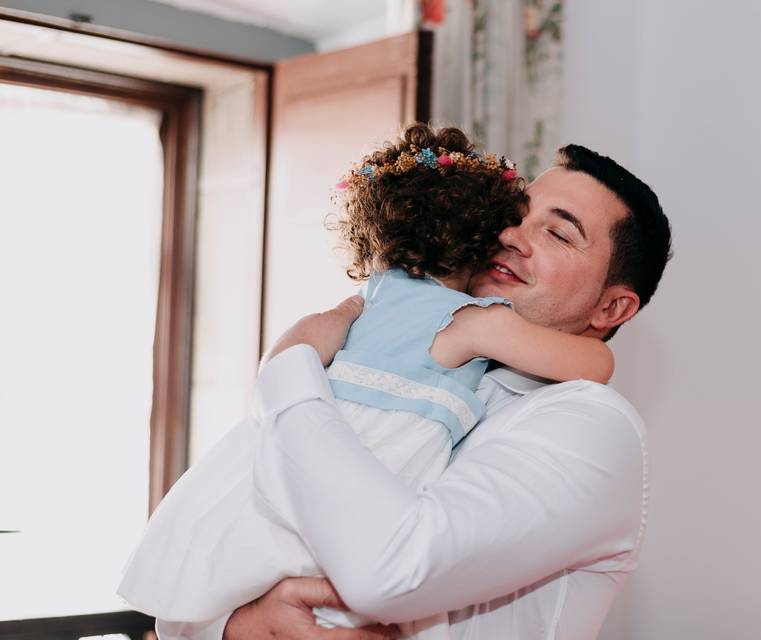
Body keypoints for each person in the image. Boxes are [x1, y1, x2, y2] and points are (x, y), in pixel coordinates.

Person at [118, 125, 616, 639]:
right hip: (372, 454)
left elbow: (302, 355)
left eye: (556, 232)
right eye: (512, 220)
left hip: (295, 450)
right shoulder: (472, 321)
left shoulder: (368, 300)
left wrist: (285, 368)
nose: (512, 237)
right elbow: (597, 364)